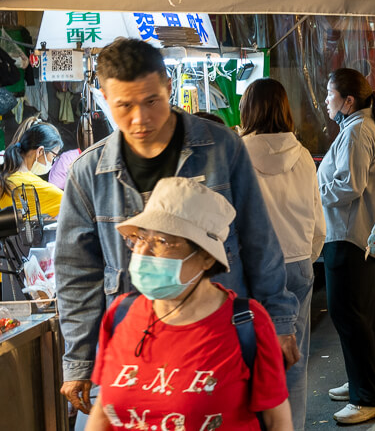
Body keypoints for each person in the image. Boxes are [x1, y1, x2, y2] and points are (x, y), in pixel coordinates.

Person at [55, 38, 298, 421]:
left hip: (216, 340)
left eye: (151, 100)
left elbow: (258, 239)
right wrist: (80, 361)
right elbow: (76, 273)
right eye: (124, 106)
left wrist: (279, 320)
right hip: (133, 347)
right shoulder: (89, 173)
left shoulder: (221, 146)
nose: (140, 118)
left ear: (168, 86)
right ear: (104, 98)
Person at [85, 177, 293, 431]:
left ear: (206, 257)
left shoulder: (246, 323)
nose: (141, 251)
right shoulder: (120, 314)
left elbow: (277, 421)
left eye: (161, 242)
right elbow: (103, 412)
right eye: (140, 238)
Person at [240, 78, 325, 431]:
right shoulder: (304, 156)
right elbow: (318, 222)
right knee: (294, 360)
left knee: (251, 363)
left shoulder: (238, 153)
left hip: (254, 270)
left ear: (247, 109)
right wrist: (305, 256)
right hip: (299, 264)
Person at [319, 68, 375, 423]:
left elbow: (349, 186)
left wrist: (313, 193)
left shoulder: (357, 132)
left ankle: (369, 396)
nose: (325, 101)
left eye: (330, 95)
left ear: (347, 100)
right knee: (353, 315)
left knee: (351, 315)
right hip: (350, 235)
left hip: (349, 236)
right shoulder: (356, 129)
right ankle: (360, 382)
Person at [0, 120, 63, 219]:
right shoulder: (32, 185)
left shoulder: (6, 174)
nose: (53, 161)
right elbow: (72, 204)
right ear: (40, 151)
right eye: (53, 156)